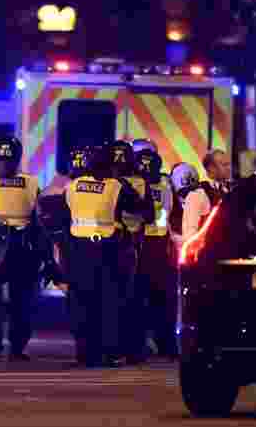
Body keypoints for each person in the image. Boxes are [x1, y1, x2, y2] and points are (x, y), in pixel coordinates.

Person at [64, 146, 151, 368]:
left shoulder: (73, 186)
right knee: (108, 304)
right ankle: (108, 353)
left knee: (83, 304)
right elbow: (141, 210)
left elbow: (63, 215)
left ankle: (84, 354)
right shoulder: (115, 187)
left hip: (78, 251)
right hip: (106, 251)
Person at [0, 136, 40, 362]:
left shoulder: (31, 182)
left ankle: (17, 347)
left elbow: (37, 219)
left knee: (22, 300)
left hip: (22, 245)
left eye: (10, 161)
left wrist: (43, 253)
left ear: (17, 160)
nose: (5, 165)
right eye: (1, 160)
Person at [38, 146, 84, 361]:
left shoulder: (56, 188)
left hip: (71, 251)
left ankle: (83, 344)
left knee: (77, 299)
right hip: (84, 251)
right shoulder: (103, 186)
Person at [111, 140, 152, 364]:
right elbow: (149, 214)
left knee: (118, 299)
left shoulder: (107, 181)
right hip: (131, 245)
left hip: (117, 246)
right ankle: (132, 349)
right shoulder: (140, 182)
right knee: (132, 299)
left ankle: (121, 349)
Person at [135, 148, 177, 360]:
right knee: (154, 299)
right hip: (149, 247)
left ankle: (162, 343)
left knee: (158, 299)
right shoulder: (164, 185)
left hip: (153, 247)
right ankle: (156, 344)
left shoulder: (136, 185)